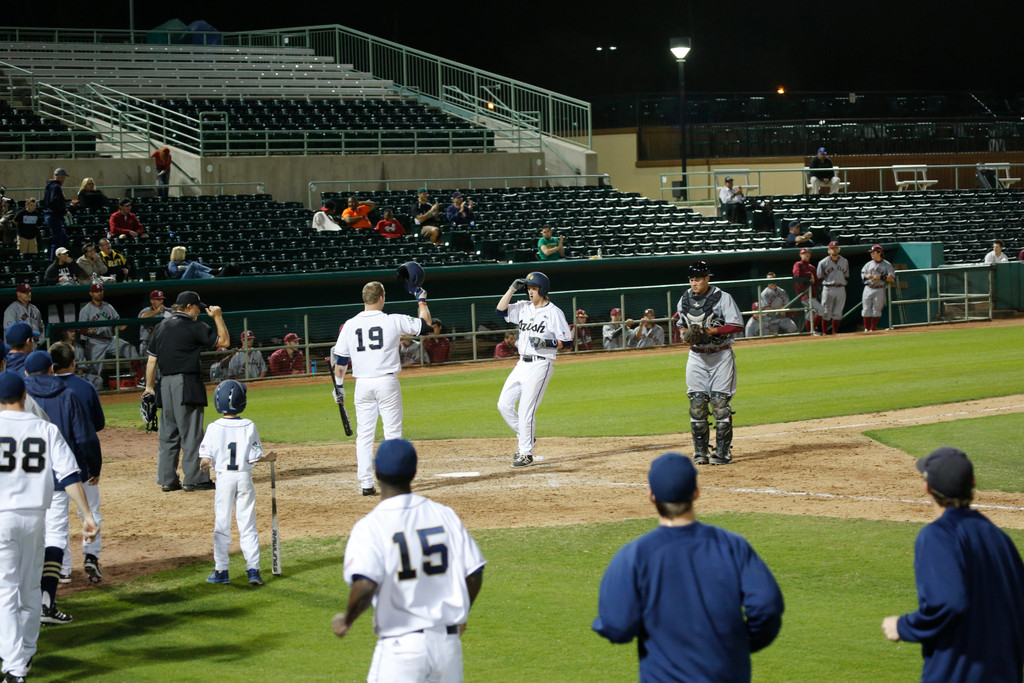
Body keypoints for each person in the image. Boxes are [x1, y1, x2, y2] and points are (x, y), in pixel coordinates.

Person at [593, 452, 784, 681]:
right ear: (696, 492)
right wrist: (739, 644)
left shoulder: (634, 555)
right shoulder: (733, 547)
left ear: (652, 496)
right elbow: (767, 606)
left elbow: (617, 626)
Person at [333, 439, 486, 682]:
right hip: (447, 649)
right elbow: (474, 571)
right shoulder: (443, 514)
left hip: (401, 650)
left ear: (376, 472)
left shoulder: (370, 526)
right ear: (414, 472)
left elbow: (365, 584)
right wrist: (462, 613)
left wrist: (347, 619)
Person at [881, 447, 1024, 682]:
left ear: (927, 488)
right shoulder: (1000, 539)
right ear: (974, 484)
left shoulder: (938, 535)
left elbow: (948, 602)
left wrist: (904, 626)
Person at [0, 373, 98, 682]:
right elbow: (70, 475)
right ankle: (25, 653)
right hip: (35, 519)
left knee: (6, 592)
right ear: (25, 394)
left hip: (2, 519)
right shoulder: (45, 428)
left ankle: (15, 667)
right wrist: (88, 515)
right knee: (30, 589)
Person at [23, 350, 102, 625]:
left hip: (21, 483)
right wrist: (94, 467)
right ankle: (48, 596)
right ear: (52, 370)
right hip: (59, 479)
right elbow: (86, 437)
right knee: (56, 535)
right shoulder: (68, 394)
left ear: (25, 373)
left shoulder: (16, 397)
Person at [333, 281, 431, 495]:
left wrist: (338, 387)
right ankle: (395, 480)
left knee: (364, 435)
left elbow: (340, 361)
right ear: (381, 298)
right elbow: (426, 326)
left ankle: (366, 484)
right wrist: (421, 300)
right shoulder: (392, 320)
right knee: (393, 433)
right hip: (387, 382)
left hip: (363, 384)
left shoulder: (350, 324)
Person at [143, 290, 229, 493]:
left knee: (168, 434)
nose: (199, 311)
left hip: (164, 385)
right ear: (188, 307)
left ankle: (168, 480)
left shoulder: (161, 327)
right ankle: (195, 479)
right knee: (191, 433)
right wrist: (217, 317)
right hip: (186, 383)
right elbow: (224, 342)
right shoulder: (194, 326)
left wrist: (148, 387)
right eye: (197, 307)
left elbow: (152, 360)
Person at [199, 380, 277, 587]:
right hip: (244, 478)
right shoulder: (249, 425)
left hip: (224, 479)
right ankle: (254, 570)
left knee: (222, 525)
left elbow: (205, 459)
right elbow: (254, 457)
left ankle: (221, 571)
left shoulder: (213, 427)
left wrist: (205, 464)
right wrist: (268, 457)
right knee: (248, 524)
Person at [496, 271, 571, 468]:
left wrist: (547, 341)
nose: (530, 292)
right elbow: (500, 311)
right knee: (503, 404)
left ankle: (526, 453)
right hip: (521, 364)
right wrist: (512, 289)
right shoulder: (523, 307)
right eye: (529, 288)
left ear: (543, 290)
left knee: (526, 410)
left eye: (534, 288)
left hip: (541, 364)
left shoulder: (554, 312)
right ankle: (526, 436)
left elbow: (568, 341)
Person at [676, 261, 744, 465]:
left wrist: (710, 331)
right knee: (697, 403)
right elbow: (680, 324)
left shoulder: (723, 298)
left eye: (698, 278)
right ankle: (700, 453)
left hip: (720, 355)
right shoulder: (684, 298)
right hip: (696, 356)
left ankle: (723, 453)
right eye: (691, 279)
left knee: (720, 404)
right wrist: (684, 335)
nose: (694, 282)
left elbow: (736, 325)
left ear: (707, 278)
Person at [49, 342, 105, 585]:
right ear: (74, 362)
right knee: (91, 511)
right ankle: (91, 556)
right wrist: (95, 466)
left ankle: (62, 568)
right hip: (82, 463)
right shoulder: (84, 387)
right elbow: (98, 425)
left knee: (55, 521)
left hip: (52, 469)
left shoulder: (39, 392)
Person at [78, 282, 136, 373]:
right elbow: (81, 329)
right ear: (91, 293)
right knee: (94, 370)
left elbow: (117, 323)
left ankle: (141, 378)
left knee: (130, 349)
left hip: (110, 339)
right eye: (96, 291)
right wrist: (89, 331)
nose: (99, 293)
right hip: (95, 342)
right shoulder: (86, 310)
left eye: (100, 291)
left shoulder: (109, 307)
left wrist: (121, 325)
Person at [816, 241, 850, 336]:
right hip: (828, 287)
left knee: (838, 312)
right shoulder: (823, 262)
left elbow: (846, 275)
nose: (834, 250)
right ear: (828, 250)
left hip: (841, 287)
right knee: (826, 311)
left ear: (838, 249)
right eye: (832, 248)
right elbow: (819, 277)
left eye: (836, 248)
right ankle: (824, 333)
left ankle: (835, 333)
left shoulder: (844, 261)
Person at [861, 245, 896, 333]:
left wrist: (881, 277)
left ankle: (872, 329)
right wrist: (866, 276)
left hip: (879, 288)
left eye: (874, 252)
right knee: (865, 309)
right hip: (868, 287)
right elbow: (863, 275)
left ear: (880, 252)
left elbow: (891, 278)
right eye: (871, 252)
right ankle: (866, 329)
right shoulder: (868, 264)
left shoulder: (887, 265)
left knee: (877, 309)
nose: (872, 254)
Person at [792, 247, 822, 334]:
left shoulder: (812, 267)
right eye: (804, 253)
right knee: (821, 310)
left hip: (811, 293)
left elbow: (816, 282)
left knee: (810, 314)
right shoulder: (798, 264)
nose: (807, 254)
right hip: (803, 293)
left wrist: (812, 278)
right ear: (800, 255)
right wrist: (809, 274)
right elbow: (797, 275)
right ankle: (812, 330)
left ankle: (811, 332)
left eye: (808, 253)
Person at [42, 167, 70, 259]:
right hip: (54, 216)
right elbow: (54, 201)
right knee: (57, 241)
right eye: (64, 177)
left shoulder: (49, 186)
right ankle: (54, 261)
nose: (64, 180)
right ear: (61, 177)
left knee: (62, 238)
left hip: (50, 215)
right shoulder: (56, 186)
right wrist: (63, 211)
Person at [138, 290, 172, 357]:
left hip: (162, 343)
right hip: (147, 344)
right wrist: (157, 312)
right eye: (158, 299)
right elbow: (142, 317)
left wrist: (164, 311)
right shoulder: (146, 310)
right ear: (152, 301)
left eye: (161, 299)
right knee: (147, 366)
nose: (161, 301)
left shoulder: (166, 310)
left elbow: (174, 316)